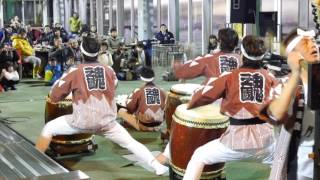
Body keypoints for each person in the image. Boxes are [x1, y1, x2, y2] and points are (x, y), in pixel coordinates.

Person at [35, 37, 168, 176]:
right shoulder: (109, 70)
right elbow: (114, 84)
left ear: (81, 53)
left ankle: (36, 162)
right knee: (130, 143)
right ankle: (157, 167)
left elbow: (55, 95)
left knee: (49, 128)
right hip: (107, 122)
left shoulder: (74, 70)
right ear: (98, 53)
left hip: (82, 121)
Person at [181, 35, 279, 180]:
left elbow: (199, 97)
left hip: (235, 143)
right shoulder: (271, 78)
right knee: (280, 163)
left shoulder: (229, 76)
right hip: (266, 143)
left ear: (241, 54)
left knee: (199, 155)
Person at [259, 28, 319, 180]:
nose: (313, 46)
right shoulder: (285, 84)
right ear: (294, 54)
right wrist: (296, 74)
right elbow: (276, 113)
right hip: (300, 160)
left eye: (314, 42)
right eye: (306, 43)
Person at [174, 28, 241, 80]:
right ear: (236, 43)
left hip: (215, 95)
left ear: (219, 42)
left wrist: (176, 65)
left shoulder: (209, 59)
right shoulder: (242, 60)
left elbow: (182, 71)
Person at [118, 66, 166, 131]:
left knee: (121, 111)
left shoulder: (139, 91)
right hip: (159, 126)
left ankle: (131, 124)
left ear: (141, 78)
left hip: (145, 126)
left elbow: (130, 108)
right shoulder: (162, 91)